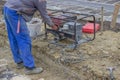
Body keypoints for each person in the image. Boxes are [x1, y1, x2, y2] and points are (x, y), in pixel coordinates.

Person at [3, 0, 57, 75]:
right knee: (24, 39)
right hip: (16, 13)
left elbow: (37, 6)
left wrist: (44, 11)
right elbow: (44, 15)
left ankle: (19, 62)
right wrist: (53, 25)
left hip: (7, 8)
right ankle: (29, 67)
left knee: (13, 37)